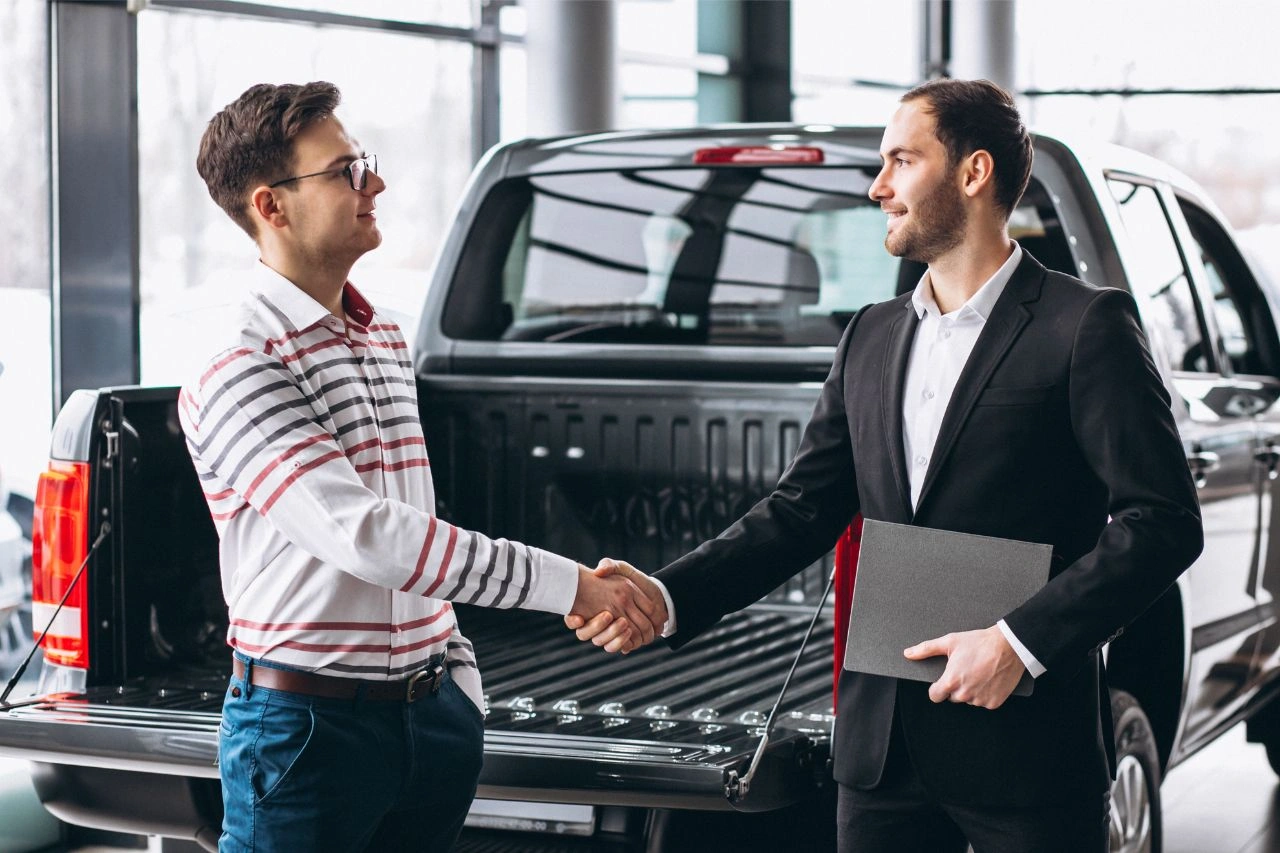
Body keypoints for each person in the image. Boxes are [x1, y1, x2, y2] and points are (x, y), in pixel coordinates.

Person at [569, 78, 1203, 852]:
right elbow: (801, 508)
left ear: (974, 173)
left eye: (902, 160)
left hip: (1027, 750)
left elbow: (1163, 522)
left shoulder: (1084, 326)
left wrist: (1017, 642)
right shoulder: (869, 336)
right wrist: (669, 595)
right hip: (881, 756)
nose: (878, 188)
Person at [179, 81, 662, 853]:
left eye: (362, 162)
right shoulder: (242, 357)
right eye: (344, 171)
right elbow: (369, 535)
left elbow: (416, 521)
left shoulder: (380, 336)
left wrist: (457, 681)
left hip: (431, 716)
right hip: (305, 731)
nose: (374, 183)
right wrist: (572, 584)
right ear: (271, 207)